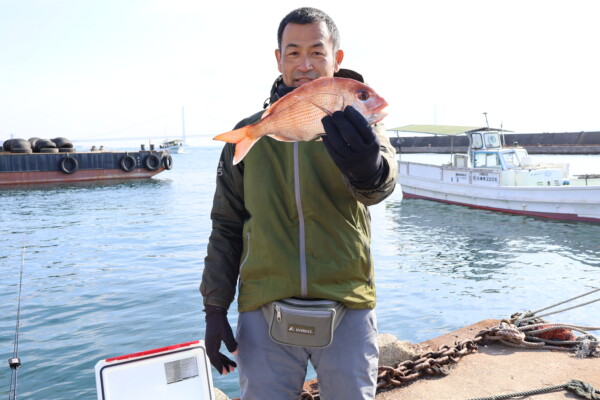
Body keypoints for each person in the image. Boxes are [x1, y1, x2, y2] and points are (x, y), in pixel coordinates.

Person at [200, 7, 398, 400]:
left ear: (336, 58)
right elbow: (226, 224)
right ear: (278, 58)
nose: (305, 65)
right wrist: (214, 308)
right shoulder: (250, 132)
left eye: (317, 52)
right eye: (293, 53)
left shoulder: (362, 122)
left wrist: (367, 166)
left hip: (347, 300)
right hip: (263, 306)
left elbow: (380, 187)